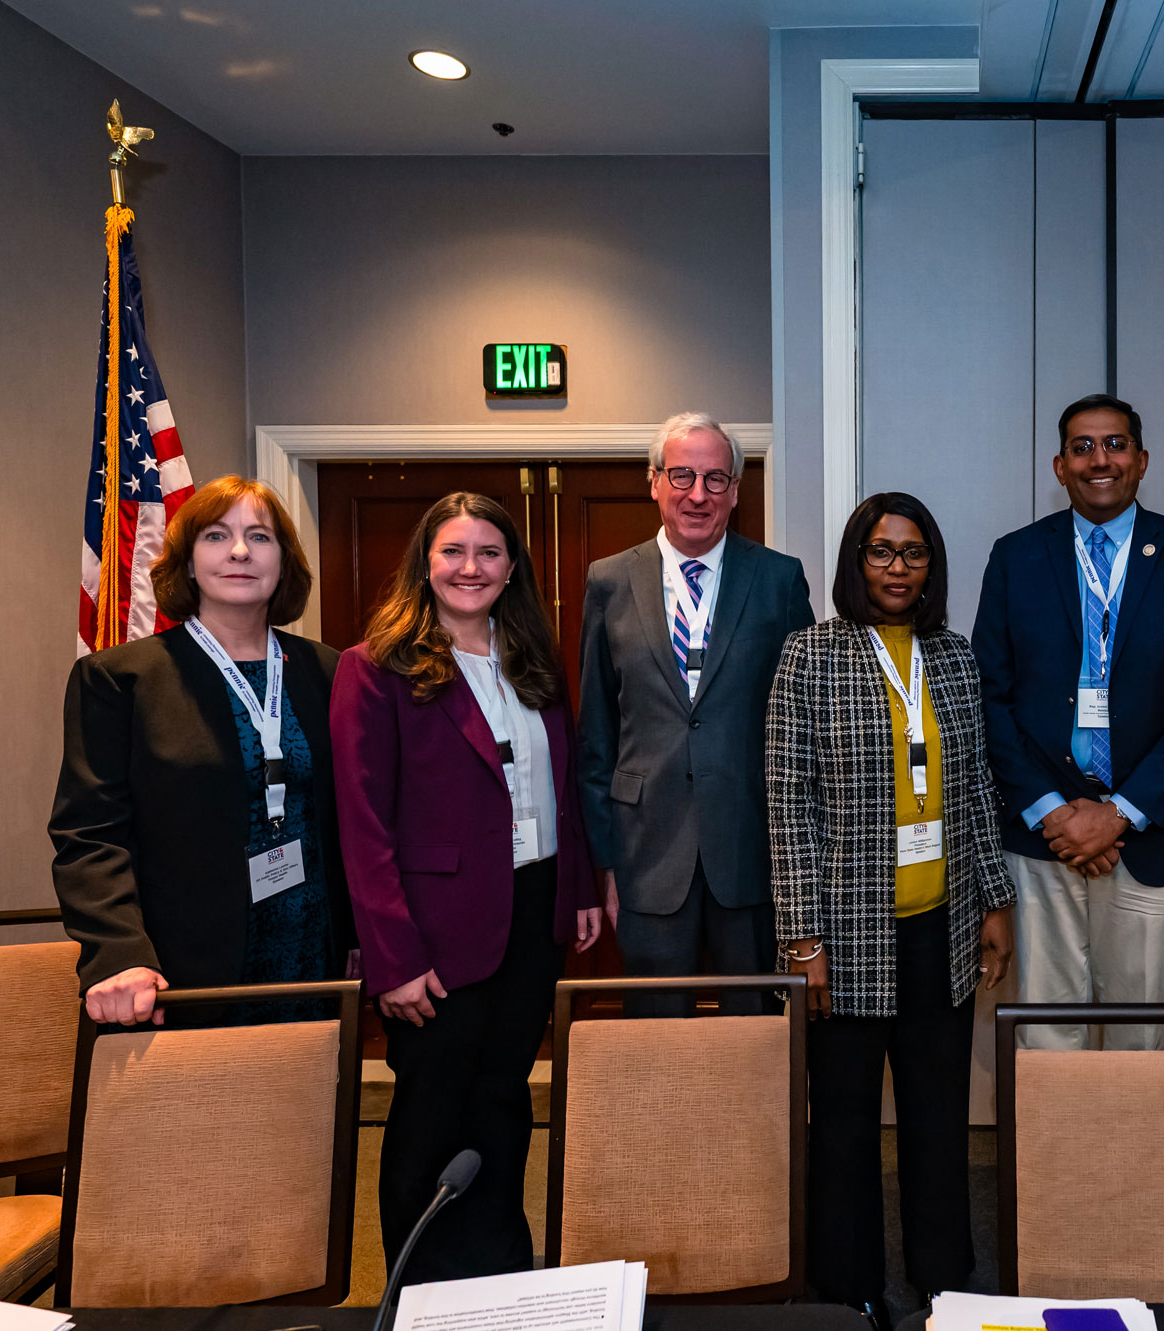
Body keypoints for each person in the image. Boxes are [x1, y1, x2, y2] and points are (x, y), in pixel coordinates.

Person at [332, 492, 603, 1281]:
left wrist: (579, 886)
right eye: (453, 551)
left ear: (512, 567)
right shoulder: (374, 667)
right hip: (436, 933)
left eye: (489, 552)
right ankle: (420, 1290)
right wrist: (393, 958)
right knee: (432, 1113)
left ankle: (499, 1274)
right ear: (426, 562)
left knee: (503, 1102)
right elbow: (363, 825)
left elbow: (561, 786)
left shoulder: (531, 659)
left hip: (532, 914)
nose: (471, 567)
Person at [767, 493, 1015, 1329]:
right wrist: (802, 939)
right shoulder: (809, 654)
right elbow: (788, 803)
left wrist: (995, 898)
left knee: (937, 1115)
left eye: (913, 552)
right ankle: (851, 1288)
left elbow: (975, 785)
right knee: (842, 1121)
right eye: (881, 551)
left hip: (940, 925)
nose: (898, 567)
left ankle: (943, 1277)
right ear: (856, 560)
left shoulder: (952, 656)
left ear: (931, 564)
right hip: (845, 932)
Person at [972, 393, 1164, 1050]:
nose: (1100, 459)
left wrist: (1118, 813)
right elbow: (988, 698)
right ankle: (1050, 1136)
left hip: (1152, 835)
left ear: (1141, 460)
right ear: (1059, 465)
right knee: (1043, 1035)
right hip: (1043, 838)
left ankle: (1125, 1135)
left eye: (1116, 444)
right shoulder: (1016, 556)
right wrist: (1054, 812)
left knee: (1137, 1038)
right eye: (1083, 447)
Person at [51, 475, 348, 1027]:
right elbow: (89, 834)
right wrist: (119, 953)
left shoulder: (330, 672)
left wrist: (360, 937)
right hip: (180, 970)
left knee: (312, 1086)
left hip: (316, 958)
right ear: (188, 563)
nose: (239, 551)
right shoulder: (121, 679)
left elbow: (354, 819)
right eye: (216, 536)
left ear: (283, 561)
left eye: (259, 537)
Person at [577, 412, 812, 1015]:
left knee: (755, 1031)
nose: (698, 494)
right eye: (682, 476)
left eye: (715, 479)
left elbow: (805, 728)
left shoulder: (779, 579)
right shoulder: (609, 581)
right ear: (655, 482)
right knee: (657, 1034)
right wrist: (604, 861)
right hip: (645, 851)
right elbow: (597, 734)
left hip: (752, 849)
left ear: (735, 490)